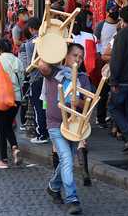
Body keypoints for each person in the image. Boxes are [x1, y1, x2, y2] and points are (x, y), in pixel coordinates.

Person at [39, 43, 92, 215]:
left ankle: (53, 187)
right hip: (55, 124)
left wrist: (80, 103)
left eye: (81, 56)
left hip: (74, 126)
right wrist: (54, 43)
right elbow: (42, 65)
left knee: (65, 161)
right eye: (75, 55)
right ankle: (72, 199)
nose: (78, 59)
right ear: (66, 56)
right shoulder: (54, 73)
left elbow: (89, 103)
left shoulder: (83, 78)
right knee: (67, 159)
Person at [0, 38, 25, 169]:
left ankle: (3, 160)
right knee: (7, 125)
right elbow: (22, 79)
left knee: (1, 129)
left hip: (1, 98)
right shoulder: (18, 61)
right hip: (16, 99)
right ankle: (14, 148)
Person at [109, 6, 128, 152]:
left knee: (113, 107)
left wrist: (113, 80)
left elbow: (117, 59)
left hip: (124, 80)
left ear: (123, 19)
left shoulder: (122, 35)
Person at [19, 17, 49, 143]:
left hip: (36, 79)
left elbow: (25, 67)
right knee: (46, 106)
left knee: (38, 107)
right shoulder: (47, 40)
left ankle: (41, 134)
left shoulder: (28, 44)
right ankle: (48, 131)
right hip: (48, 78)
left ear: (31, 29)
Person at [94, 8, 119, 128]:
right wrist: (100, 59)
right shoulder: (100, 26)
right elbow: (96, 42)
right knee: (103, 92)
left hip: (116, 62)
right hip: (104, 62)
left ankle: (113, 119)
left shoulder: (120, 25)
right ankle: (101, 118)